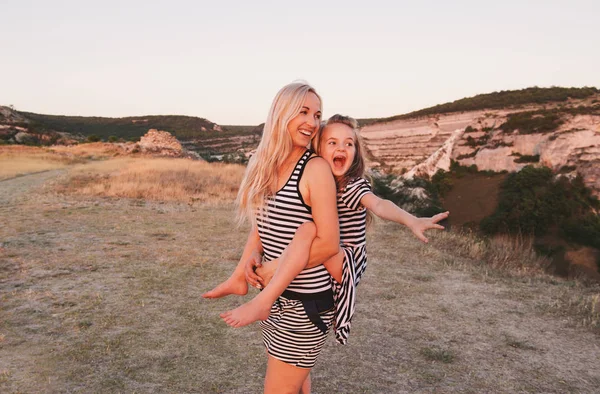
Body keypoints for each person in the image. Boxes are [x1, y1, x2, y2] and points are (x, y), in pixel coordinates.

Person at [218, 114, 449, 347]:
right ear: (317, 149)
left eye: (349, 143)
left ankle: (264, 300)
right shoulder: (315, 177)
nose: (342, 148)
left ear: (356, 152)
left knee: (307, 230)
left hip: (347, 260)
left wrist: (411, 220)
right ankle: (242, 277)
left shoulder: (351, 185)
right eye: (333, 143)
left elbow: (378, 204)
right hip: (331, 257)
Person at [204, 82, 340, 394]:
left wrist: (273, 267)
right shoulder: (263, 164)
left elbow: (329, 243)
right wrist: (250, 261)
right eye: (303, 111)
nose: (311, 122)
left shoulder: (315, 168)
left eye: (317, 114)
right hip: (277, 297)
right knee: (297, 385)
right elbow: (262, 224)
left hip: (305, 305)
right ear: (281, 113)